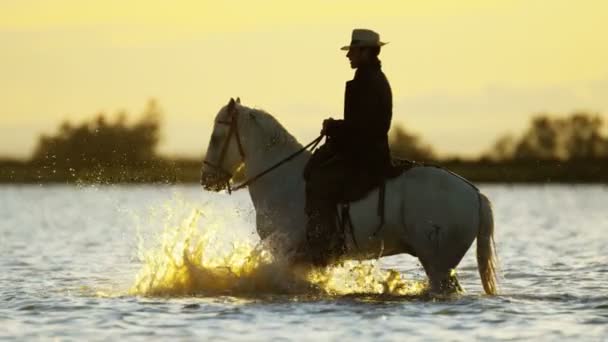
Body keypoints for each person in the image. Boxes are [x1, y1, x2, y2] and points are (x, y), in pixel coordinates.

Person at [303, 29, 393, 266]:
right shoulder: (369, 78)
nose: (348, 56)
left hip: (365, 157)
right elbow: (362, 123)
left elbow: (365, 127)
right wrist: (337, 127)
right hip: (363, 151)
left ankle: (324, 246)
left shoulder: (369, 81)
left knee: (321, 181)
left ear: (365, 52)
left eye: (352, 51)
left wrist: (335, 128)